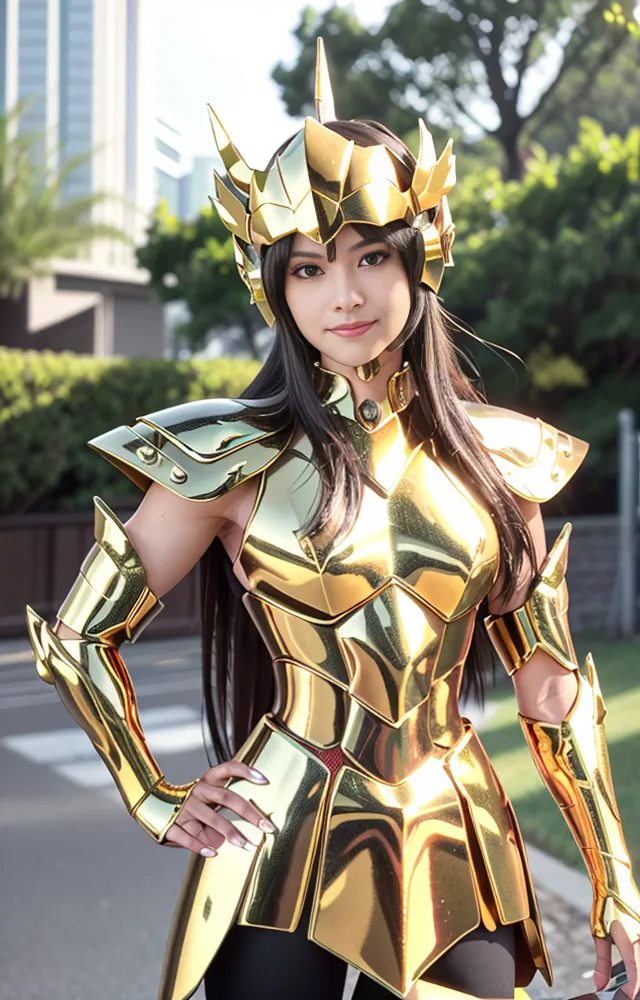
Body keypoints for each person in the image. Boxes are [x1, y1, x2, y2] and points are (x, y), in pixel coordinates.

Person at [25, 38, 640, 1000]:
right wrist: (151, 792)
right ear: (274, 285)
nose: (343, 293)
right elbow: (78, 637)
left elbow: (552, 692)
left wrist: (615, 879)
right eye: (308, 269)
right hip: (280, 832)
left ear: (421, 255)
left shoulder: (498, 459)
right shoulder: (234, 455)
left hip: (455, 826)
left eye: (369, 256)